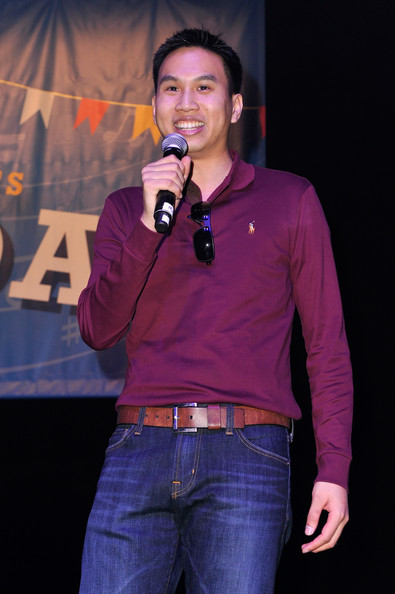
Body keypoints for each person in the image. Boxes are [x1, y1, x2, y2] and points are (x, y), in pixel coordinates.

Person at [77, 27, 353, 594]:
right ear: (154, 105)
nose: (186, 103)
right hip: (139, 449)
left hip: (247, 453)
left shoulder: (289, 199)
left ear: (233, 106)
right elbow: (98, 328)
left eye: (204, 87)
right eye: (171, 88)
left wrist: (334, 470)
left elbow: (326, 345)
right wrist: (151, 224)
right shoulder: (126, 207)